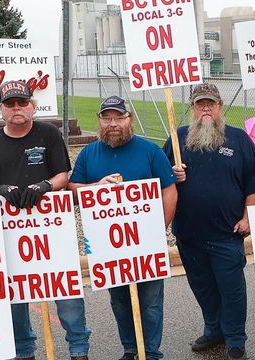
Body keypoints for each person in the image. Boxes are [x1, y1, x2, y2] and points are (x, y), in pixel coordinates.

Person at [0, 81, 90, 360]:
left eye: (22, 103)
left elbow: (64, 174)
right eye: (10, 104)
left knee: (67, 292)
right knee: (15, 298)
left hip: (51, 228)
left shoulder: (48, 133)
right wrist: (1, 190)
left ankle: (79, 349)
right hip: (9, 231)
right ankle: (24, 351)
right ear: (1, 109)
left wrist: (46, 186)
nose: (17, 108)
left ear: (32, 106)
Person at [68, 96, 178, 360]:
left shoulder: (150, 151)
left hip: (146, 242)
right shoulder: (89, 153)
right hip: (108, 246)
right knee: (119, 301)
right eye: (107, 118)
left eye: (119, 117)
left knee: (150, 302)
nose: (113, 123)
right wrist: (97, 187)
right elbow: (73, 188)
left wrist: (158, 229)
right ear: (99, 121)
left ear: (130, 119)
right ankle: (130, 348)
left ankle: (150, 352)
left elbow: (169, 190)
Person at [163, 83, 255, 360]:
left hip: (226, 233)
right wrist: (172, 174)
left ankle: (235, 338)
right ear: (192, 108)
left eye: (211, 103)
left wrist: (249, 218)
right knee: (203, 287)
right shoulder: (177, 139)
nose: (206, 108)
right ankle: (214, 330)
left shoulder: (239, 140)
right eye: (200, 104)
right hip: (188, 233)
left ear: (220, 107)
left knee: (231, 289)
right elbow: (161, 185)